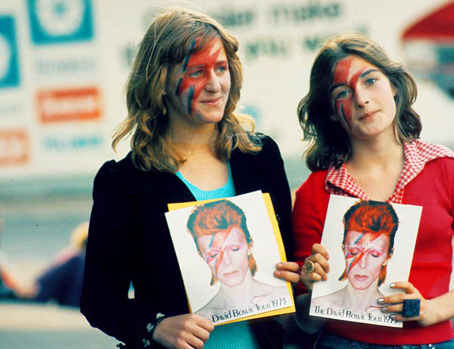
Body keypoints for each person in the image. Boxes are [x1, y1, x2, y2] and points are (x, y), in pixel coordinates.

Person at [80, 7, 299, 349]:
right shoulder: (124, 182)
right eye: (197, 72)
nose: (215, 85)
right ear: (160, 81)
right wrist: (154, 325)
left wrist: (294, 279)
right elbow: (98, 298)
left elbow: (291, 261)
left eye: (222, 69)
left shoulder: (261, 157)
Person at [292, 32, 454, 348]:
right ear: (332, 111)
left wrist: (433, 310)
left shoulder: (445, 169)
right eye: (343, 92)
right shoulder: (314, 192)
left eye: (370, 81)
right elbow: (304, 322)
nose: (361, 98)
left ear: (394, 85)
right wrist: (313, 289)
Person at [187, 199, 289, 320]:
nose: (227, 262)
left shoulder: (283, 296)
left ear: (250, 245)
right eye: (214, 255)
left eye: (234, 249)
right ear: (202, 257)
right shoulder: (199, 318)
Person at [311, 200, 398, 319]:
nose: (362, 264)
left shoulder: (395, 313)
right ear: (343, 249)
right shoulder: (320, 304)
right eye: (354, 252)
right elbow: (307, 327)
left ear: (388, 256)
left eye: (374, 254)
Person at [20, 222, 88, 307]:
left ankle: (33, 292)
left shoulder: (77, 259)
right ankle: (33, 291)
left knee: (76, 260)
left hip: (77, 300)